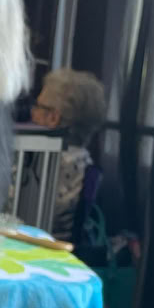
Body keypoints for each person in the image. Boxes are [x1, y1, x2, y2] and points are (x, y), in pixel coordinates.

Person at [31, 67, 106, 240]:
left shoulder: (51, 163)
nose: (32, 113)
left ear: (53, 118)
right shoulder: (83, 160)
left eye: (37, 106)